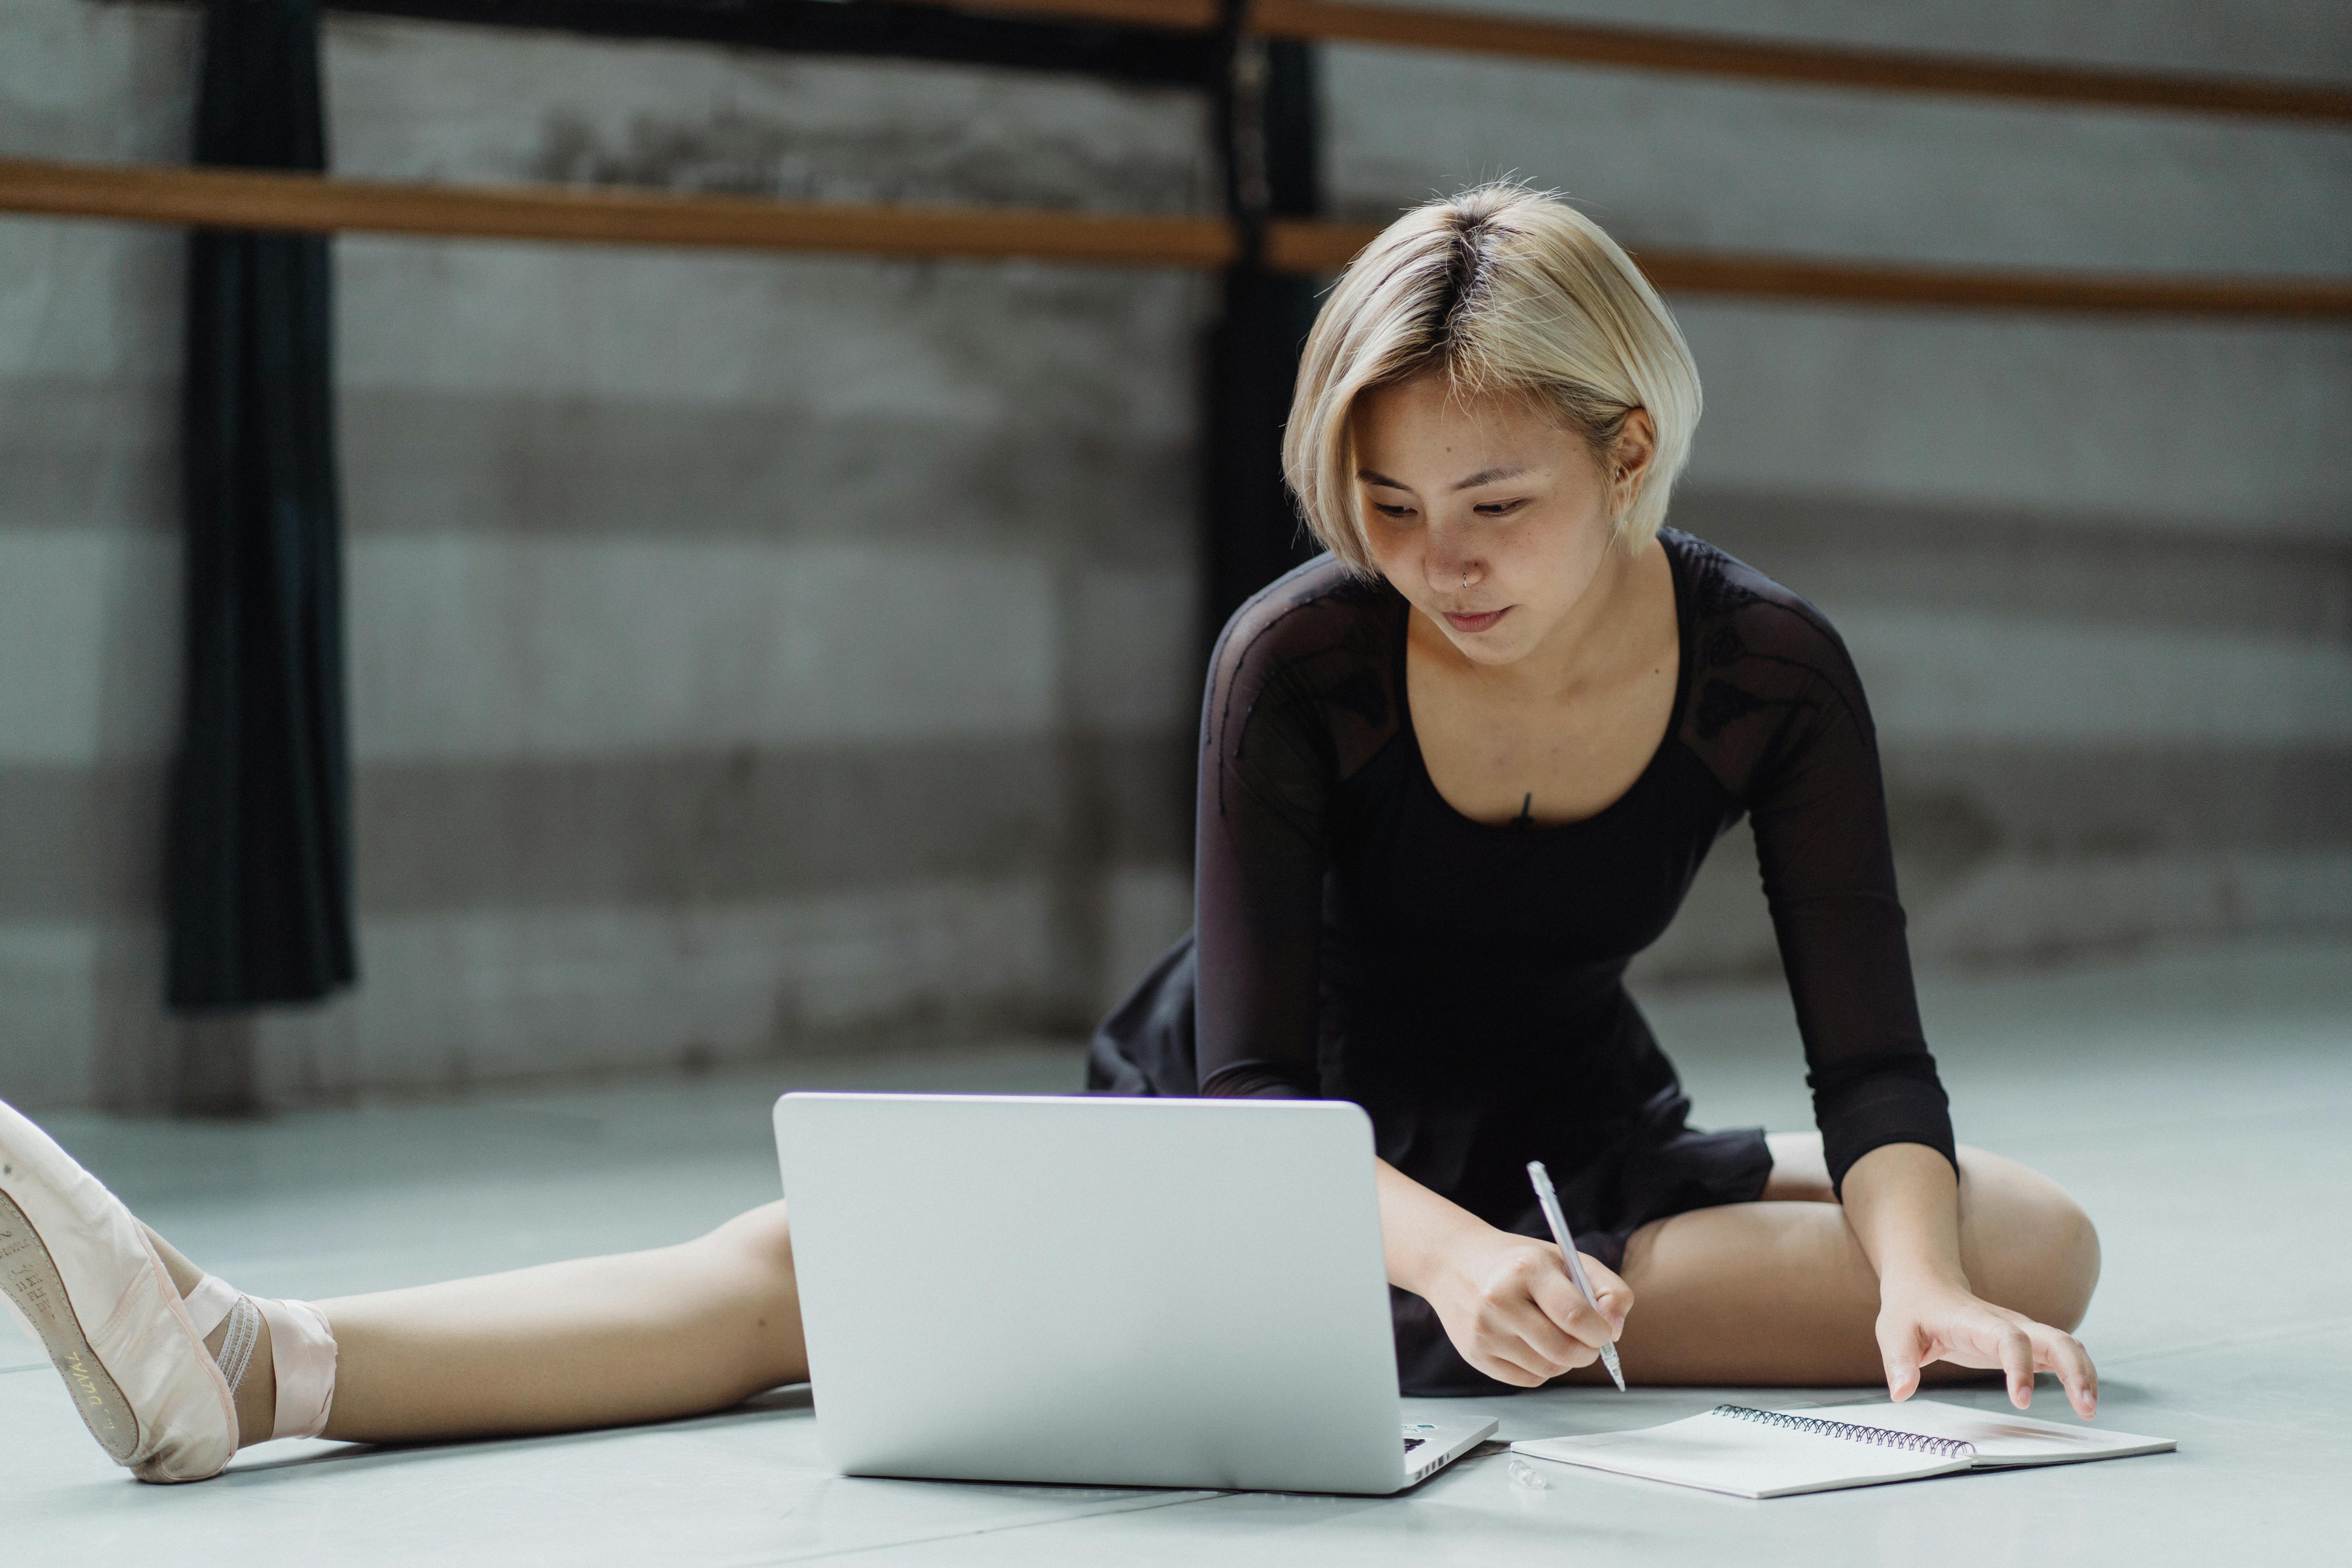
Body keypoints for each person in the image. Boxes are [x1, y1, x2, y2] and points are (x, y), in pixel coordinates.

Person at [0, 185, 2098, 1486]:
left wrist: (1910, 1292)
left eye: (1494, 506)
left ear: (1626, 449)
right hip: (1265, 1125)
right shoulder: (1302, 662)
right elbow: (1268, 1079)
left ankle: (1727, 1283)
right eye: (1386, 503)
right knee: (809, 1285)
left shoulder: (1771, 670)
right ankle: (255, 1360)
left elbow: (1870, 1057)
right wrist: (1453, 1261)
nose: (1434, 560)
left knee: (2022, 1243)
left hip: (1569, 1125)